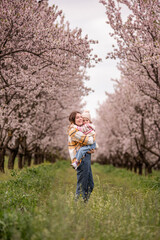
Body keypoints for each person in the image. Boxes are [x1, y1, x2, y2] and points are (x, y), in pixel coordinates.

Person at [68, 111, 95, 201]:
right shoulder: (73, 131)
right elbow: (89, 140)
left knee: (90, 185)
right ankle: (78, 206)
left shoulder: (81, 129)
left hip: (86, 157)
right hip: (80, 160)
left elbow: (89, 144)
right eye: (77, 117)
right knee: (82, 185)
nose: (80, 119)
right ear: (73, 120)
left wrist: (91, 149)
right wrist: (92, 138)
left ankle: (83, 204)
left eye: (81, 117)